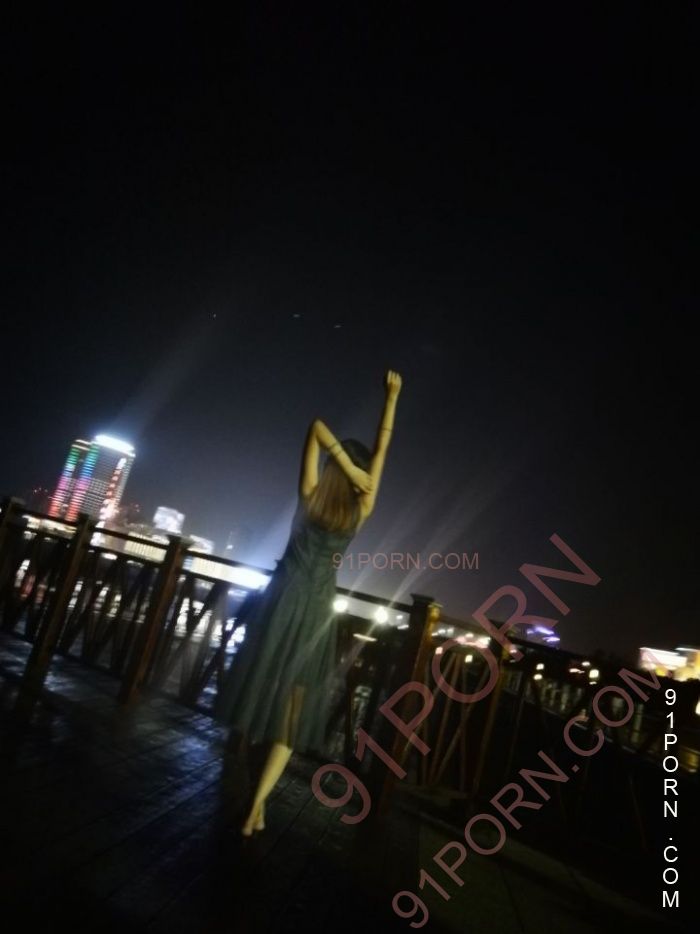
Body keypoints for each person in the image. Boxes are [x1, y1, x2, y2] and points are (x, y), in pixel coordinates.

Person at [213, 369, 403, 836]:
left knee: (259, 685)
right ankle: (257, 804)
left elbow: (316, 427)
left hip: (280, 601)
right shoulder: (361, 510)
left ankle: (246, 782)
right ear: (358, 478)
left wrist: (346, 463)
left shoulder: (309, 496)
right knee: (294, 708)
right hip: (317, 609)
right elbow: (383, 449)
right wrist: (393, 397)